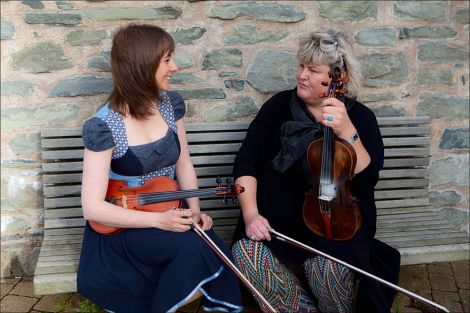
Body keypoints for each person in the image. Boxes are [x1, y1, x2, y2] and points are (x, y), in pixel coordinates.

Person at [231, 29, 401, 313]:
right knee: (245, 253)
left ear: (339, 78)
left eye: (312, 70)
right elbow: (245, 162)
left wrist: (348, 132)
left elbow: (368, 181)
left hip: (335, 230)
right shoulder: (276, 108)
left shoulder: (360, 118)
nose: (301, 75)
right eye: (301, 66)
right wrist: (250, 215)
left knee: (329, 269)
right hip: (276, 226)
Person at [77, 24, 243, 313]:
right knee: (193, 251)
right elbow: (92, 208)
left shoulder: (169, 105)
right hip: (124, 227)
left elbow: (184, 162)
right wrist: (159, 222)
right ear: (143, 65)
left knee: (214, 248)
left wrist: (194, 209)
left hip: (169, 209)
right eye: (167, 60)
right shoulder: (103, 126)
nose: (174, 67)